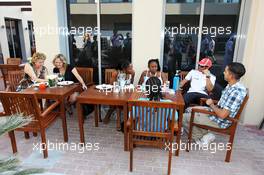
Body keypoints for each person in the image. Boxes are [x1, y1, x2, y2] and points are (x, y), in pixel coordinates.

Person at [182, 62, 247, 146]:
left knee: (183, 117)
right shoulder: (231, 86)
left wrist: (211, 105)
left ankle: (201, 136)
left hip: (220, 121)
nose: (223, 73)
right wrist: (212, 106)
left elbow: (223, 115)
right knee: (188, 110)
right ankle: (205, 134)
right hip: (216, 113)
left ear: (231, 75)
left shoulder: (236, 92)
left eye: (225, 71)